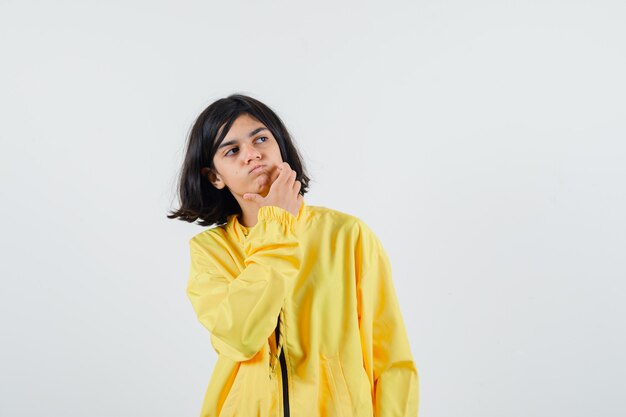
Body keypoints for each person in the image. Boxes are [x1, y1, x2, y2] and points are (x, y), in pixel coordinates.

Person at [168, 94, 419, 416]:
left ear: (281, 148)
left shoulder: (346, 234)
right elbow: (240, 337)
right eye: (232, 150)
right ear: (214, 177)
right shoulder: (210, 251)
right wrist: (277, 228)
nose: (252, 154)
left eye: (261, 139)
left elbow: (390, 355)